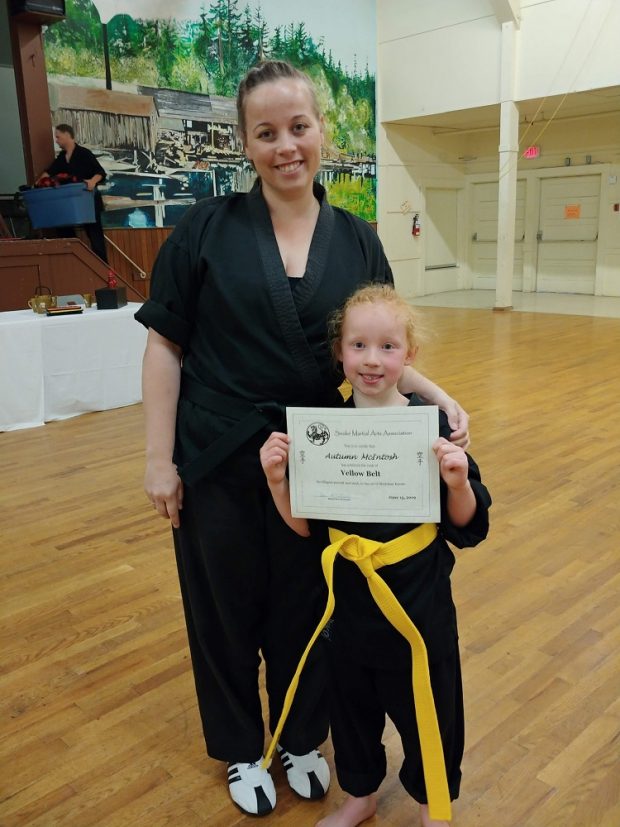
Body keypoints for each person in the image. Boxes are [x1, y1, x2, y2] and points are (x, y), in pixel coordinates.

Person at [135, 60, 470, 818]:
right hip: (217, 454)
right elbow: (164, 347)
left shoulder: (356, 240)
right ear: (245, 144)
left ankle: (297, 735)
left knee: (311, 604)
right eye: (266, 132)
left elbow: (382, 349)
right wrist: (159, 458)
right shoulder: (206, 231)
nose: (286, 145)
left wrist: (438, 397)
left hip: (323, 460)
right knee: (222, 610)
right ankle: (241, 748)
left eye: (299, 127)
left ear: (322, 131)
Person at [260, 284, 491, 827]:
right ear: (339, 353)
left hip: (420, 604)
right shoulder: (323, 430)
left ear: (409, 356)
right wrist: (277, 482)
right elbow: (304, 526)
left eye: (388, 346)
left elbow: (468, 525)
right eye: (358, 345)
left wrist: (456, 482)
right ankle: (361, 796)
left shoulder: (431, 428)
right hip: (348, 603)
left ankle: (435, 803)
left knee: (430, 707)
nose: (371, 359)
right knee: (352, 708)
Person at [37, 124, 108, 262]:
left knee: (95, 236)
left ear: (68, 135)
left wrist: (92, 181)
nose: (56, 140)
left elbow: (100, 173)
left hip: (88, 200)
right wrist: (36, 184)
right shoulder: (62, 158)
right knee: (63, 229)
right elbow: (49, 172)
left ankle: (104, 268)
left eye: (58, 137)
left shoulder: (84, 153)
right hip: (70, 204)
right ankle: (73, 260)